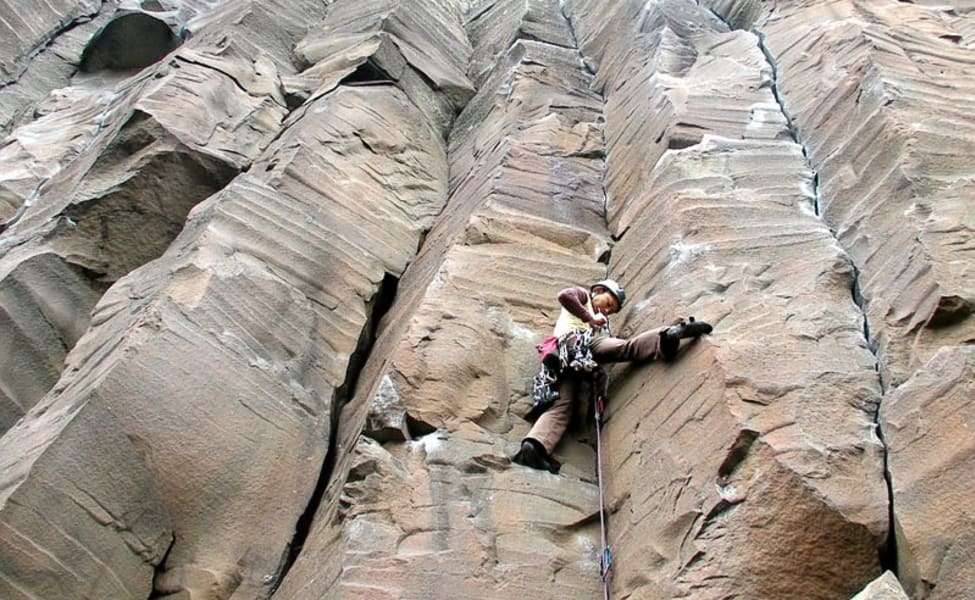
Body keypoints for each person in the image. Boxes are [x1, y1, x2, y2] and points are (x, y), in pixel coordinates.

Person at [512, 279, 712, 473]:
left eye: (611, 310)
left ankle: (534, 447)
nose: (607, 310)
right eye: (608, 303)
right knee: (626, 348)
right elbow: (564, 295)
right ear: (598, 291)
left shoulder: (598, 321)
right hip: (577, 344)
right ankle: (665, 337)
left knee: (562, 406)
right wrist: (590, 319)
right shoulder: (583, 296)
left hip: (565, 361)